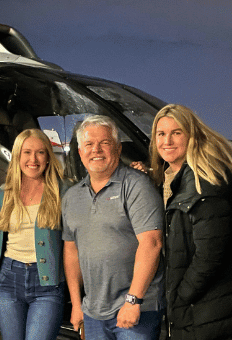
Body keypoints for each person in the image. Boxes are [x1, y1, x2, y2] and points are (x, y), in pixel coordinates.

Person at [147, 104, 232, 340]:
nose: (167, 141)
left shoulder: (204, 182)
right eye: (161, 134)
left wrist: (180, 296)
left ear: (192, 136)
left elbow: (210, 254)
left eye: (176, 133)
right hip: (206, 308)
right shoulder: (176, 179)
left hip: (210, 309)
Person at [62, 115, 165, 340]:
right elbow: (71, 252)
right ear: (80, 152)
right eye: (89, 144)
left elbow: (152, 243)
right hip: (93, 312)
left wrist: (133, 300)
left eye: (105, 143)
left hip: (136, 309)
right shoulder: (72, 197)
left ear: (117, 149)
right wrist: (77, 305)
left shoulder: (137, 186)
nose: (96, 150)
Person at [0, 129, 68, 340]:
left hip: (47, 284)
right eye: (27, 152)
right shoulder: (4, 192)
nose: (33, 159)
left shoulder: (63, 191)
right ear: (17, 156)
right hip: (8, 279)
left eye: (40, 152)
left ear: (48, 157)